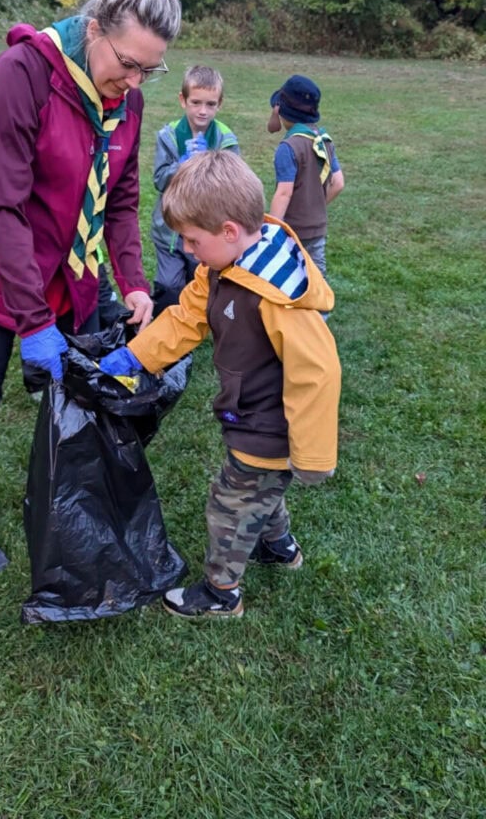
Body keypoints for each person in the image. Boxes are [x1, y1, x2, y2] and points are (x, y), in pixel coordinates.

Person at [0, 0, 182, 575]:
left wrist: (133, 282)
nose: (134, 82)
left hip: (72, 274)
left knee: (71, 396)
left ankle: (55, 497)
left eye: (150, 71)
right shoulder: (21, 73)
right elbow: (3, 208)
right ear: (94, 27)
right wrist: (33, 321)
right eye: (128, 64)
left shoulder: (127, 97)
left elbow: (121, 200)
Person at [99, 152, 341, 619]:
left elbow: (318, 373)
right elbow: (187, 318)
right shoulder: (219, 269)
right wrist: (135, 356)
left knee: (230, 504)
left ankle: (220, 593)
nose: (188, 250)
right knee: (260, 492)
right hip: (247, 414)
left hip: (267, 425)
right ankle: (278, 546)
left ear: (229, 231)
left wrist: (312, 456)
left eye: (192, 240)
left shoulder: (277, 296)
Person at [151, 65, 240, 313]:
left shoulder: (225, 139)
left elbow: (234, 185)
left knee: (200, 283)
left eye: (210, 104)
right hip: (169, 231)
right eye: (196, 102)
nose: (203, 111)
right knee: (169, 285)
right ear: (183, 100)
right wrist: (181, 166)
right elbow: (158, 179)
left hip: (207, 229)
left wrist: (208, 166)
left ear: (219, 104)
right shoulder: (168, 135)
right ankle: (166, 335)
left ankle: (194, 330)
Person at [267, 74, 344, 279]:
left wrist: (273, 229)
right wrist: (315, 206)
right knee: (316, 277)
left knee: (288, 276)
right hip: (317, 227)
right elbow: (338, 183)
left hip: (292, 230)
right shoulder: (324, 140)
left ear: (280, 109)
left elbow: (284, 193)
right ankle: (320, 311)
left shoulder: (288, 147)